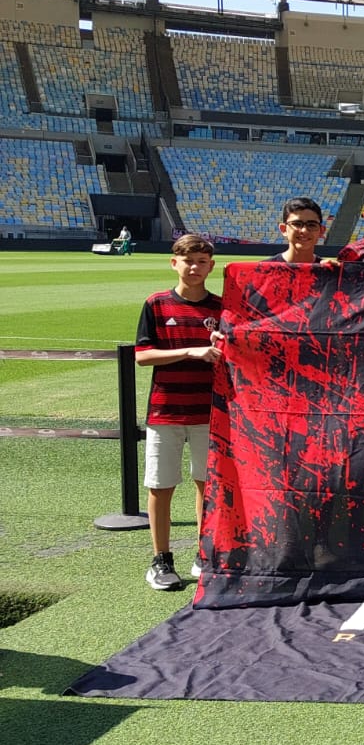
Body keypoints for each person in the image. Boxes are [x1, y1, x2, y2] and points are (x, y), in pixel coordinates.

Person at [134, 234, 222, 590]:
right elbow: (142, 356)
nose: (194, 267)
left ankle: (204, 553)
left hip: (208, 411)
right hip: (166, 411)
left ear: (211, 266)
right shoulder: (156, 304)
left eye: (202, 261)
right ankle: (161, 560)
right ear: (175, 263)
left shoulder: (220, 307)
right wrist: (191, 351)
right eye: (188, 261)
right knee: (161, 485)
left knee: (206, 484)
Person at [268, 197, 328, 263]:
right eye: (297, 224)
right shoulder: (262, 270)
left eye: (312, 225)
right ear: (284, 229)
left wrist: (333, 271)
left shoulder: (329, 270)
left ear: (321, 231)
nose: (304, 231)